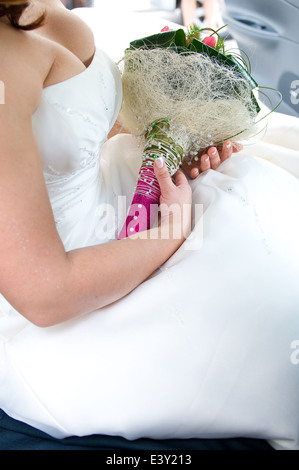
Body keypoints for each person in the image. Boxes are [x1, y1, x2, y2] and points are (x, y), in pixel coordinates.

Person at [0, 0, 299, 450]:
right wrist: (169, 231)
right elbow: (45, 294)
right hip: (66, 293)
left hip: (123, 193)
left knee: (263, 186)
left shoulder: (31, 10)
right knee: (276, 305)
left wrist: (175, 144)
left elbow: (77, 131)